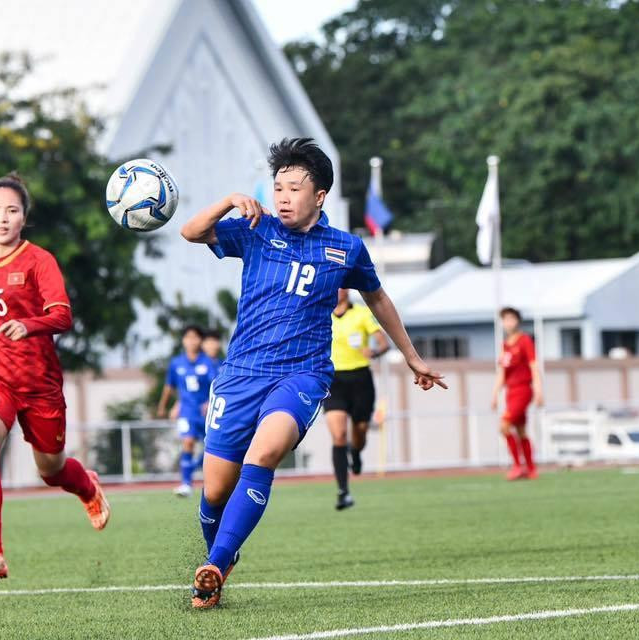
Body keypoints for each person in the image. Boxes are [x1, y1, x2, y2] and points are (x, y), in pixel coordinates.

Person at [180, 137, 445, 609]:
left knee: (262, 455)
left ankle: (216, 566)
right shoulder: (254, 229)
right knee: (215, 490)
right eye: (277, 186)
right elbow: (190, 232)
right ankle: (222, 555)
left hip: (301, 376)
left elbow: (377, 297)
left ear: (318, 196)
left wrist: (411, 354)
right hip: (241, 374)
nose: (282, 196)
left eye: (294, 187)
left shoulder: (345, 249)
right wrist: (225, 202)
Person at [0, 173, 110, 582]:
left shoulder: (39, 261)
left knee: (52, 471)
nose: (2, 218)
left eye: (11, 211)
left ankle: (85, 486)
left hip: (39, 381)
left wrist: (28, 325)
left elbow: (62, 315)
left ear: (24, 217)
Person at [324, 288, 390, 510]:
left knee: (359, 432)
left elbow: (383, 343)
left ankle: (356, 451)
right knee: (339, 434)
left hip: (361, 379)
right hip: (334, 381)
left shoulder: (362, 313)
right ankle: (343, 491)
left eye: (342, 286)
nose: (338, 289)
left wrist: (375, 352)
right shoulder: (321, 313)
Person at [156, 325, 216, 497]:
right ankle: (186, 484)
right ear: (183, 340)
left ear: (200, 341)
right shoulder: (176, 363)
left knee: (211, 447)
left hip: (206, 413)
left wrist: (210, 401)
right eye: (188, 337)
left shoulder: (208, 362)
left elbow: (216, 384)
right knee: (188, 442)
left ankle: (200, 470)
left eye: (195, 337)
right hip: (187, 412)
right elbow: (170, 386)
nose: (191, 341)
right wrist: (164, 406)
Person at [491, 307, 543, 480]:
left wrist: (539, 390)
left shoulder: (525, 340)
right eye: (505, 319)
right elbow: (502, 373)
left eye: (511, 319)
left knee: (504, 426)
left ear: (517, 321)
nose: (508, 323)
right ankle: (531, 469)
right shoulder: (505, 345)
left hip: (523, 390)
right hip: (510, 392)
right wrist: (494, 395)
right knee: (521, 431)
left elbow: (534, 366)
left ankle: (517, 466)